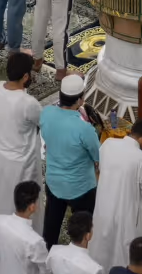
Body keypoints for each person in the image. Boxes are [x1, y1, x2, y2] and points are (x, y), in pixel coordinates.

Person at [40, 74, 101, 247]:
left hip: (54, 182)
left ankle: (48, 253)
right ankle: (79, 258)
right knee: (82, 228)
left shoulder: (46, 113)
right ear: (81, 100)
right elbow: (98, 157)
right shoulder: (84, 128)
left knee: (52, 222)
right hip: (80, 188)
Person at [89, 120, 142, 270]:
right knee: (123, 246)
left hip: (104, 202)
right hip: (126, 209)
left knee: (101, 238)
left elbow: (98, 166)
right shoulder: (141, 158)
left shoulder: (108, 143)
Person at [0, 52, 44, 224]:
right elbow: (42, 122)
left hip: (0, 154)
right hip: (23, 162)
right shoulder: (28, 103)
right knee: (26, 202)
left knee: (4, 196)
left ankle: (3, 231)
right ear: (26, 76)